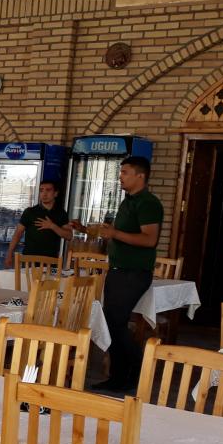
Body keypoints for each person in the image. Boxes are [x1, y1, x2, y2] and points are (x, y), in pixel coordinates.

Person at [71, 156, 162, 393]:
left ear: (140, 176)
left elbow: (150, 239)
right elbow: (116, 234)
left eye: (124, 173)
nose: (120, 177)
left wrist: (115, 234)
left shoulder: (148, 203)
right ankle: (120, 376)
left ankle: (136, 370)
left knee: (115, 323)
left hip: (133, 273)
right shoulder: (127, 201)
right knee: (112, 323)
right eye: (120, 172)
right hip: (118, 270)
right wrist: (86, 230)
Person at [4, 180, 70, 268]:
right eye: (41, 190)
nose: (44, 194)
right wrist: (9, 254)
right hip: (29, 261)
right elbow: (18, 233)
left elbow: (69, 236)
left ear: (55, 193)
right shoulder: (30, 212)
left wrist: (52, 226)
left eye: (48, 190)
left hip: (50, 261)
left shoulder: (61, 213)